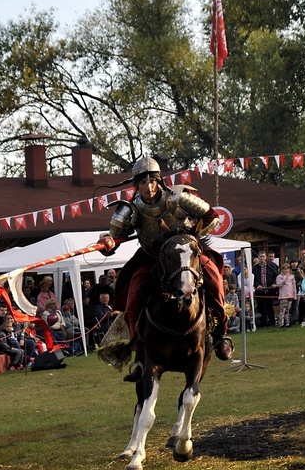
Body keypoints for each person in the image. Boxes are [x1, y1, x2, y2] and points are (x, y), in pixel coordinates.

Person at [97, 155, 233, 364]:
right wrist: (106, 243)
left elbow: (211, 216)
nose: (149, 187)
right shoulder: (130, 209)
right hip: (152, 256)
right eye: (143, 182)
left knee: (214, 279)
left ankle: (220, 335)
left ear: (159, 181)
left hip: (185, 253)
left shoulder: (178, 197)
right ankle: (139, 353)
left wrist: (191, 239)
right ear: (136, 185)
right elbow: (114, 238)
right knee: (132, 295)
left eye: (152, 181)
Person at [252, 251, 277, 327]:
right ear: (258, 258)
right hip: (260, 290)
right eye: (260, 256)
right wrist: (257, 285)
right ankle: (263, 322)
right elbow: (254, 278)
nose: (262, 258)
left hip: (269, 289)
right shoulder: (255, 268)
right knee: (261, 307)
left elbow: (275, 276)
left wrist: (273, 283)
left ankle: (272, 322)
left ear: (266, 257)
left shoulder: (272, 266)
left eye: (263, 256)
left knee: (269, 306)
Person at [276, 263, 297, 327]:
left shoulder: (292, 277)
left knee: (288, 310)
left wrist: (294, 295)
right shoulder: (279, 277)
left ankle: (287, 322)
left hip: (290, 296)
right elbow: (279, 285)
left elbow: (294, 286)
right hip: (283, 296)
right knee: (283, 310)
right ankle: (281, 323)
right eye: (284, 269)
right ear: (282, 270)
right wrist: (284, 278)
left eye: (287, 269)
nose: (286, 270)